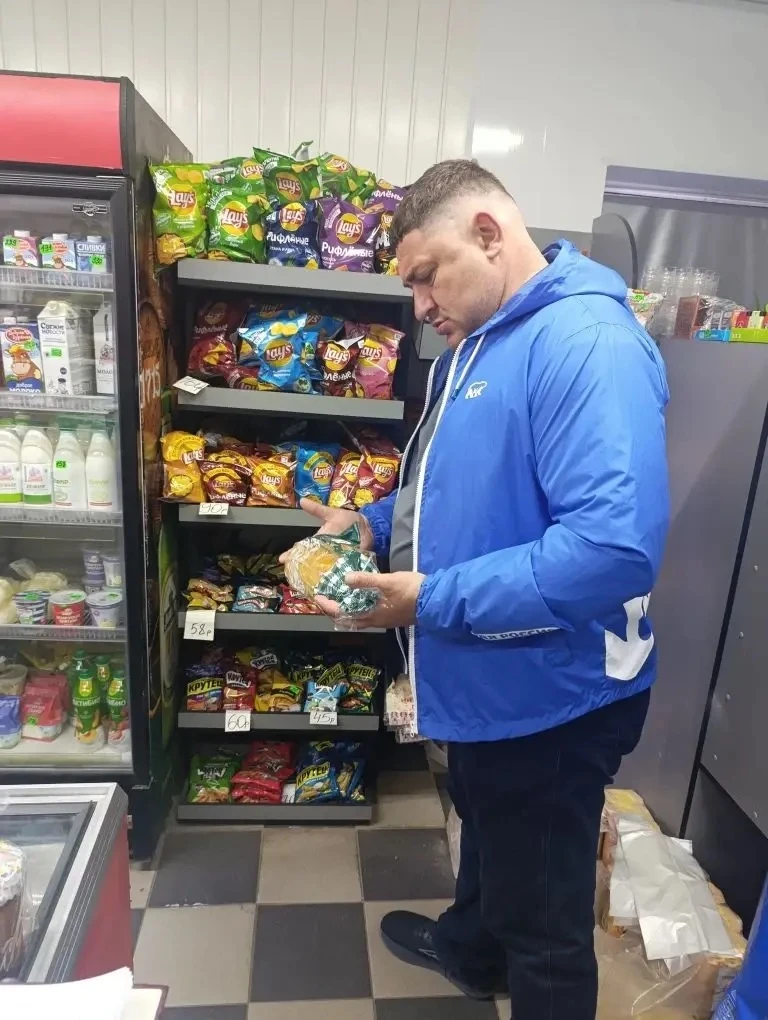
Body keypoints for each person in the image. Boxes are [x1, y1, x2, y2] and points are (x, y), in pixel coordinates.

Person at [290, 159, 670, 1020]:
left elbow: (611, 549)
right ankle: (472, 946)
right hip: (490, 678)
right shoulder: (481, 339)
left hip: (553, 699)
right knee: (489, 825)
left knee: (547, 922)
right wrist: (370, 524)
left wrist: (430, 600)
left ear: (489, 234)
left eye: (427, 276)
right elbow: (458, 484)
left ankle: (513, 962)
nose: (420, 304)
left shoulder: (587, 342)